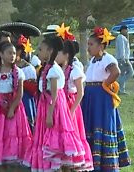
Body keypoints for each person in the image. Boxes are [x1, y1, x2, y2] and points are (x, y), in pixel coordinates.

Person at [30, 35, 86, 171]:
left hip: (54, 109)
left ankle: (60, 167)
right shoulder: (46, 68)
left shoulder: (54, 70)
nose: (38, 52)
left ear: (49, 50)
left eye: (41, 49)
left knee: (57, 142)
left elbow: (54, 95)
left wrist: (49, 115)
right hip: (46, 106)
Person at [82, 27, 131, 171]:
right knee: (90, 125)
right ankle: (92, 161)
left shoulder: (107, 58)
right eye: (88, 44)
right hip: (90, 96)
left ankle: (107, 164)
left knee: (102, 125)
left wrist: (105, 84)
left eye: (91, 44)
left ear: (101, 45)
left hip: (101, 98)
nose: (89, 47)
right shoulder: (93, 60)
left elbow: (116, 72)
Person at [0, 42, 33, 171]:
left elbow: (20, 93)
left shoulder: (19, 72)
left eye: (14, 53)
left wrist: (12, 108)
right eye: (9, 53)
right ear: (1, 54)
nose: (12, 56)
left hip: (14, 109)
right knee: (0, 136)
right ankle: (2, 164)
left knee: (13, 134)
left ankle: (15, 164)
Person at [56, 39, 93, 171]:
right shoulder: (58, 70)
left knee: (73, 135)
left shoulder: (74, 70)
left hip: (71, 106)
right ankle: (64, 164)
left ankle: (75, 164)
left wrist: (71, 110)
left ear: (66, 54)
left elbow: (80, 93)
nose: (55, 56)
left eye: (58, 53)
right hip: (60, 107)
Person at [15, 35, 37, 131]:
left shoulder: (28, 68)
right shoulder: (7, 67)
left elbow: (33, 88)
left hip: (25, 99)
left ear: (19, 52)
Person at [115, 25, 134, 94]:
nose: (127, 31)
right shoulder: (120, 37)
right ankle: (118, 82)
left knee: (123, 74)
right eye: (126, 30)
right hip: (122, 59)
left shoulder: (123, 37)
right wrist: (124, 59)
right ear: (123, 30)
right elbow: (122, 48)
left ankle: (121, 90)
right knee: (131, 72)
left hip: (123, 58)